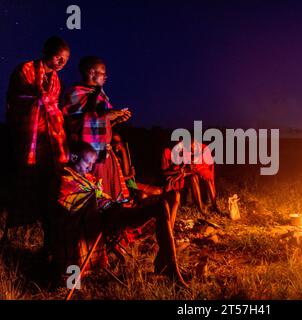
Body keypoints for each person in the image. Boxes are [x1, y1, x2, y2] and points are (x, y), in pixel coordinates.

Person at [51, 141, 186, 285]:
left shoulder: (86, 177)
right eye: (88, 163)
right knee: (159, 207)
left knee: (165, 202)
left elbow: (101, 197)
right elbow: (70, 205)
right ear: (74, 158)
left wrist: (120, 201)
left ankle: (167, 264)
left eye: (92, 163)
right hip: (102, 220)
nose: (91, 167)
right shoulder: (65, 179)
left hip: (115, 211)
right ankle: (170, 269)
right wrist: (97, 196)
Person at [3, 36, 70, 247]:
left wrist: (51, 107)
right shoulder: (25, 70)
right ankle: (14, 229)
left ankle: (49, 238)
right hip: (27, 136)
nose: (61, 62)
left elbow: (54, 105)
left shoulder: (57, 81)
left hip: (49, 139)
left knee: (50, 185)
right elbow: (16, 100)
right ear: (46, 52)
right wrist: (40, 101)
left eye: (65, 59)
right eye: (58, 57)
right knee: (21, 181)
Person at [62, 56, 132, 202]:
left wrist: (116, 119)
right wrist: (106, 115)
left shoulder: (100, 94)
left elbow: (101, 124)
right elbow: (76, 124)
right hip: (88, 155)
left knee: (109, 196)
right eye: (103, 72)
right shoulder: (75, 93)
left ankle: (109, 221)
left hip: (105, 151)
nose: (106, 76)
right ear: (91, 72)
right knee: (95, 197)